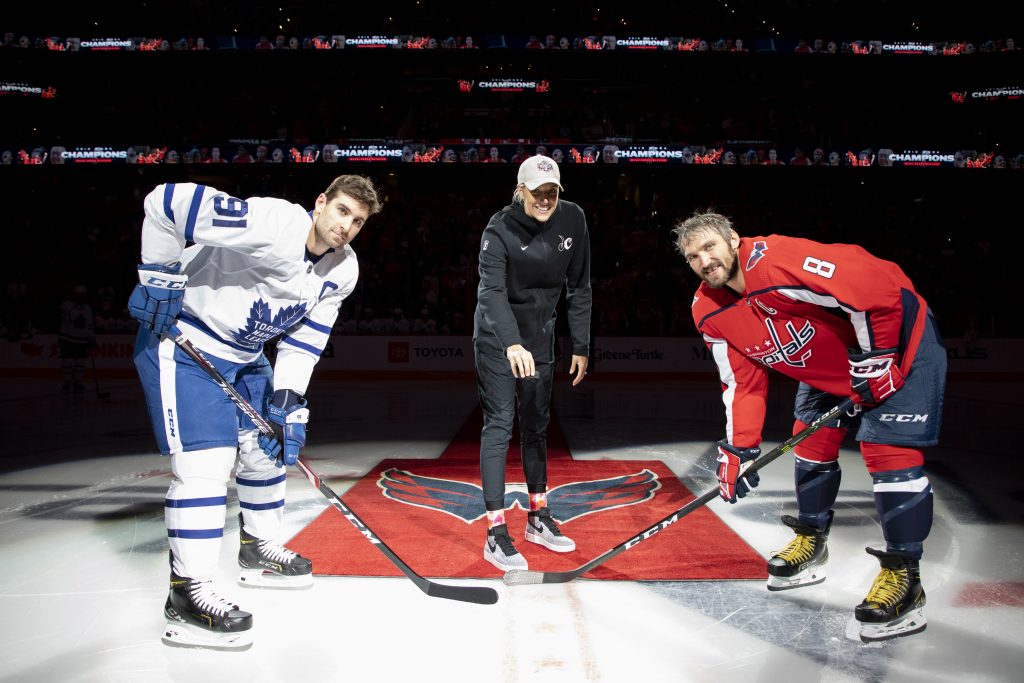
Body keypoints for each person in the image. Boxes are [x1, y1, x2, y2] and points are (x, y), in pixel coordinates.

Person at [128, 175, 382, 649]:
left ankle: (256, 548)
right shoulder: (273, 223)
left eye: (359, 221)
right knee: (206, 466)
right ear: (320, 202)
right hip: (186, 342)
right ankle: (187, 595)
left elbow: (306, 339)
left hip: (246, 356)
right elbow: (165, 202)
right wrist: (158, 277)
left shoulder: (343, 270)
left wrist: (288, 398)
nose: (347, 226)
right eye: (342, 211)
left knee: (270, 448)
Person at [673, 211, 945, 643]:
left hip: (897, 343)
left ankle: (904, 577)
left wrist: (880, 357)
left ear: (733, 240)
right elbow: (742, 382)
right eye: (693, 256)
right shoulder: (708, 310)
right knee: (810, 442)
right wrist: (738, 447)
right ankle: (811, 541)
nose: (705, 260)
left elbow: (875, 285)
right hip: (830, 367)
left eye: (710, 247)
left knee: (887, 456)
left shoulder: (778, 259)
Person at [474, 155, 592, 572]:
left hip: (541, 340)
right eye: (537, 192)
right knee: (501, 425)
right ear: (520, 191)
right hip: (497, 340)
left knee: (537, 427)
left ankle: (538, 518)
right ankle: (494, 532)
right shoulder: (498, 228)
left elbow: (580, 286)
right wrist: (510, 343)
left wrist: (580, 344)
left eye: (552, 192)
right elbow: (489, 293)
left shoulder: (574, 219)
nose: (545, 200)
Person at [58, 285, 96, 393]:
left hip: (82, 339)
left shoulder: (87, 308)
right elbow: (70, 317)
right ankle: (66, 382)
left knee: (81, 362)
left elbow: (90, 324)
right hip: (68, 338)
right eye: (79, 295)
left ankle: (78, 382)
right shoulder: (66, 305)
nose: (80, 297)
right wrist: (78, 307)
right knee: (68, 361)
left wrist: (91, 338)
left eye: (82, 295)